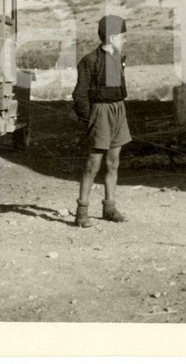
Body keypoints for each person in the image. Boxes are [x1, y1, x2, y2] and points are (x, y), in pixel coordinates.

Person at [72, 15, 132, 228]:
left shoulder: (118, 58)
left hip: (118, 111)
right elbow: (79, 95)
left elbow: (116, 89)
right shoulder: (89, 61)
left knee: (113, 162)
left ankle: (109, 207)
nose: (125, 40)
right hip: (100, 113)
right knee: (93, 164)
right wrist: (90, 120)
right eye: (122, 36)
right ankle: (82, 212)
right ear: (113, 36)